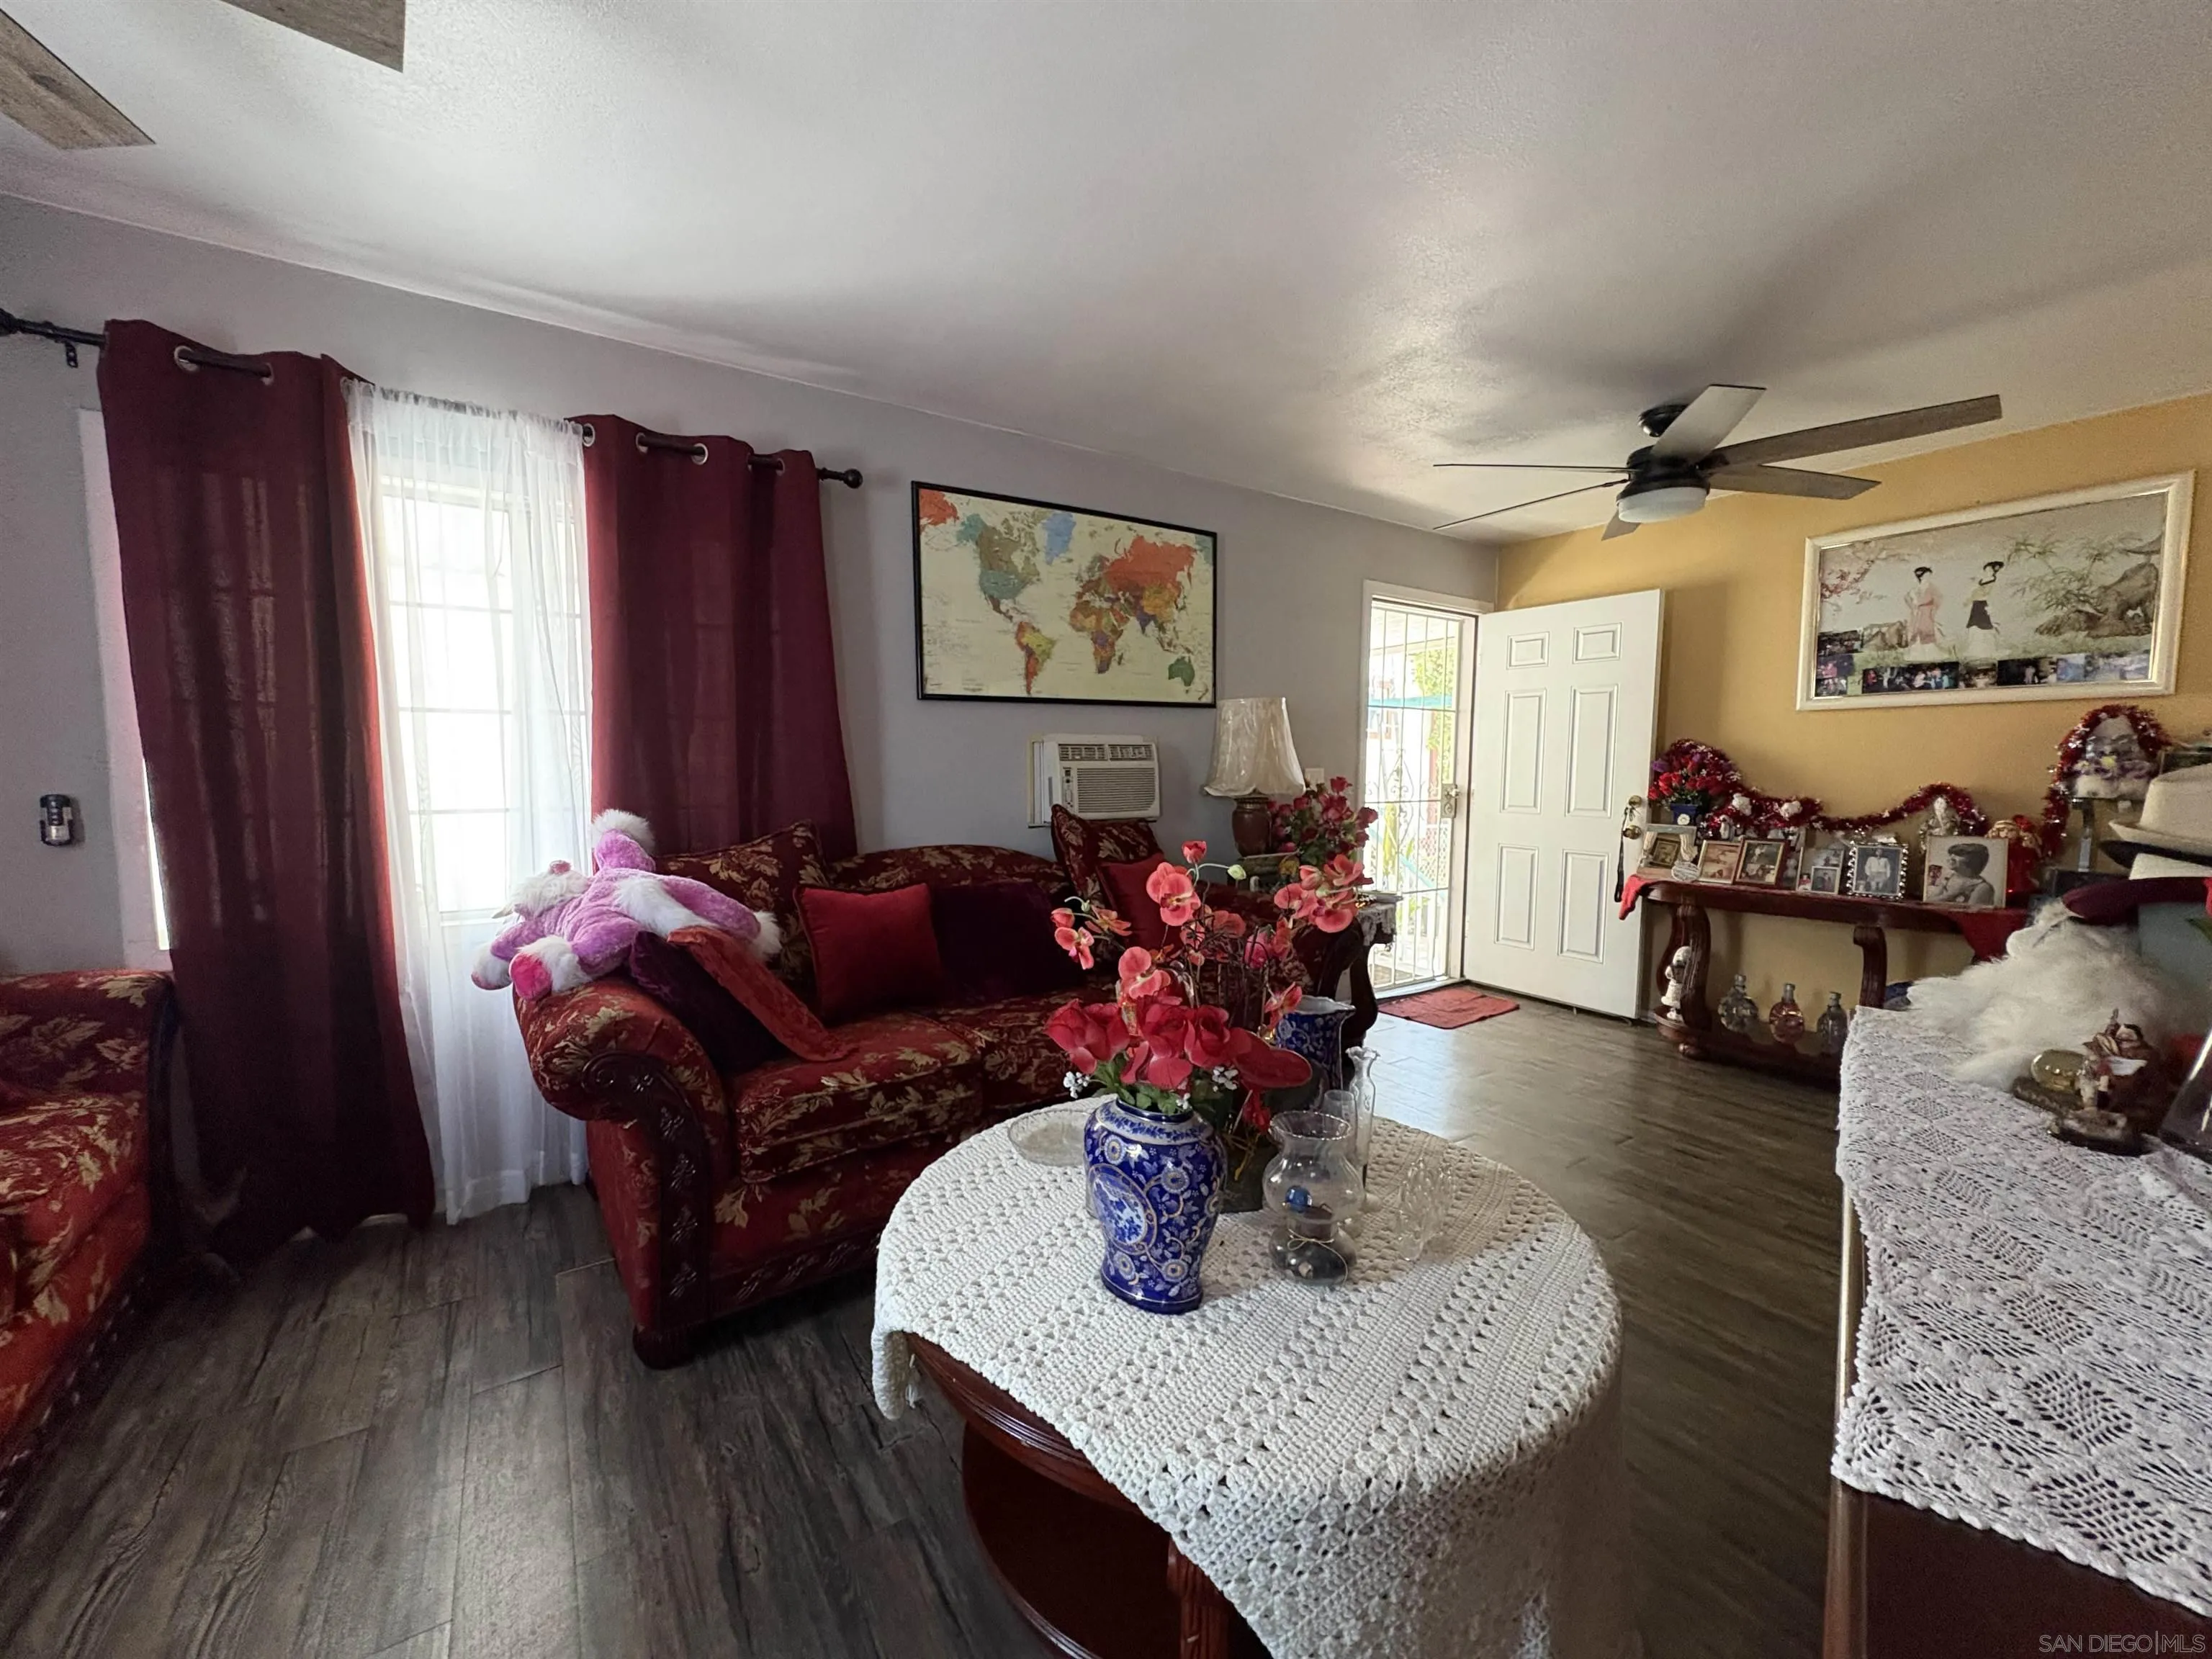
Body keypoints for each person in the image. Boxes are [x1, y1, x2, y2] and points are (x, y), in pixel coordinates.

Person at [1925, 840, 1997, 907]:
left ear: (1974, 860)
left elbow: (1971, 915)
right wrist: (1953, 894)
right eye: (1951, 854)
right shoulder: (1948, 879)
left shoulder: (1982, 887)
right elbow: (1928, 903)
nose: (1951, 858)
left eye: (1959, 854)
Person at [1964, 559, 2004, 655]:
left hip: (1983, 605)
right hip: (1977, 605)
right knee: (1974, 626)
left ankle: (1985, 649)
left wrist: (1974, 595)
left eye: (1990, 571)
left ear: (1994, 572)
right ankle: (1975, 649)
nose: (1987, 573)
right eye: (1986, 571)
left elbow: (1984, 594)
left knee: (1983, 626)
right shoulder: (1982, 581)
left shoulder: (1991, 582)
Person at [1906, 566, 1942, 647]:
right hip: (1918, 612)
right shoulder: (1916, 589)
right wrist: (1913, 607)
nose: (1928, 578)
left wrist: (1933, 610)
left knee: (1927, 630)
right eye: (1927, 576)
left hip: (1927, 612)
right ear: (1921, 577)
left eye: (1929, 576)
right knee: (1915, 630)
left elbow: (1938, 599)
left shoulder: (1932, 588)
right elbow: (1907, 598)